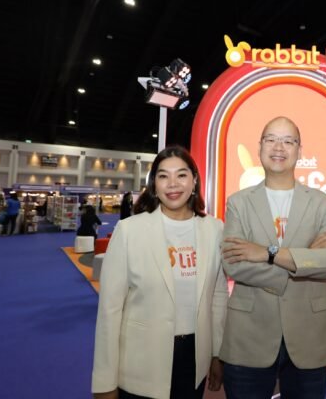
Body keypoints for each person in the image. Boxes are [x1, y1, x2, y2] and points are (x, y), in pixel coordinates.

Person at [220, 116, 326, 399]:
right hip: (249, 335)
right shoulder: (239, 202)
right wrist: (306, 258)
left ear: (299, 151)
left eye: (288, 141)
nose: (279, 147)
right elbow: (234, 264)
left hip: (309, 335)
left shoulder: (320, 202)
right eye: (271, 139)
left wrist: (268, 253)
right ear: (259, 147)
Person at [92, 146, 228, 399]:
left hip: (194, 362)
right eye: (163, 176)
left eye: (182, 175)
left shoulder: (214, 229)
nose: (173, 184)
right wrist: (104, 381)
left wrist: (217, 354)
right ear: (154, 185)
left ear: (194, 181)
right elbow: (109, 310)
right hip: (141, 364)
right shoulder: (129, 231)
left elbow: (218, 297)